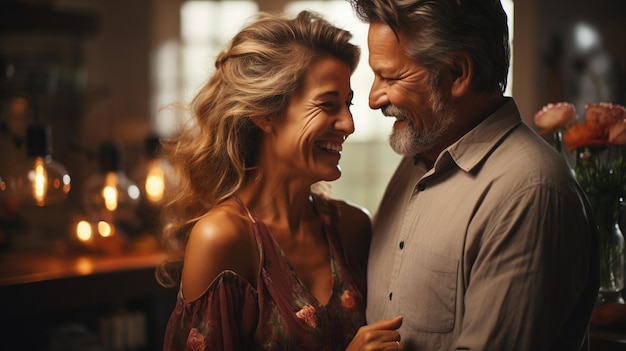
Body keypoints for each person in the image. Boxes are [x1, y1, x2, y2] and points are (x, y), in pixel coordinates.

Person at [346, 0, 600, 350]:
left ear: (458, 73)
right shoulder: (419, 156)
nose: (374, 98)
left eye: (390, 76)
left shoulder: (529, 193)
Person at [156, 10, 403, 351]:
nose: (348, 124)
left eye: (348, 104)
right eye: (328, 105)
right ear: (266, 113)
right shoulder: (223, 240)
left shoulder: (352, 228)